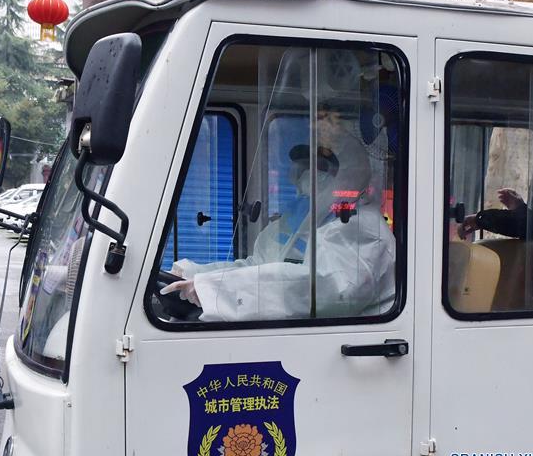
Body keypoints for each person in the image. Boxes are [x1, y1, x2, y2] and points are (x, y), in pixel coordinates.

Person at [161, 126, 395, 322]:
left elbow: (322, 289)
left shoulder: (363, 229)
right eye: (303, 168)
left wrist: (214, 290)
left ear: (346, 175)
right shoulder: (299, 218)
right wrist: (194, 274)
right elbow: (258, 266)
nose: (303, 176)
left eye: (317, 169)